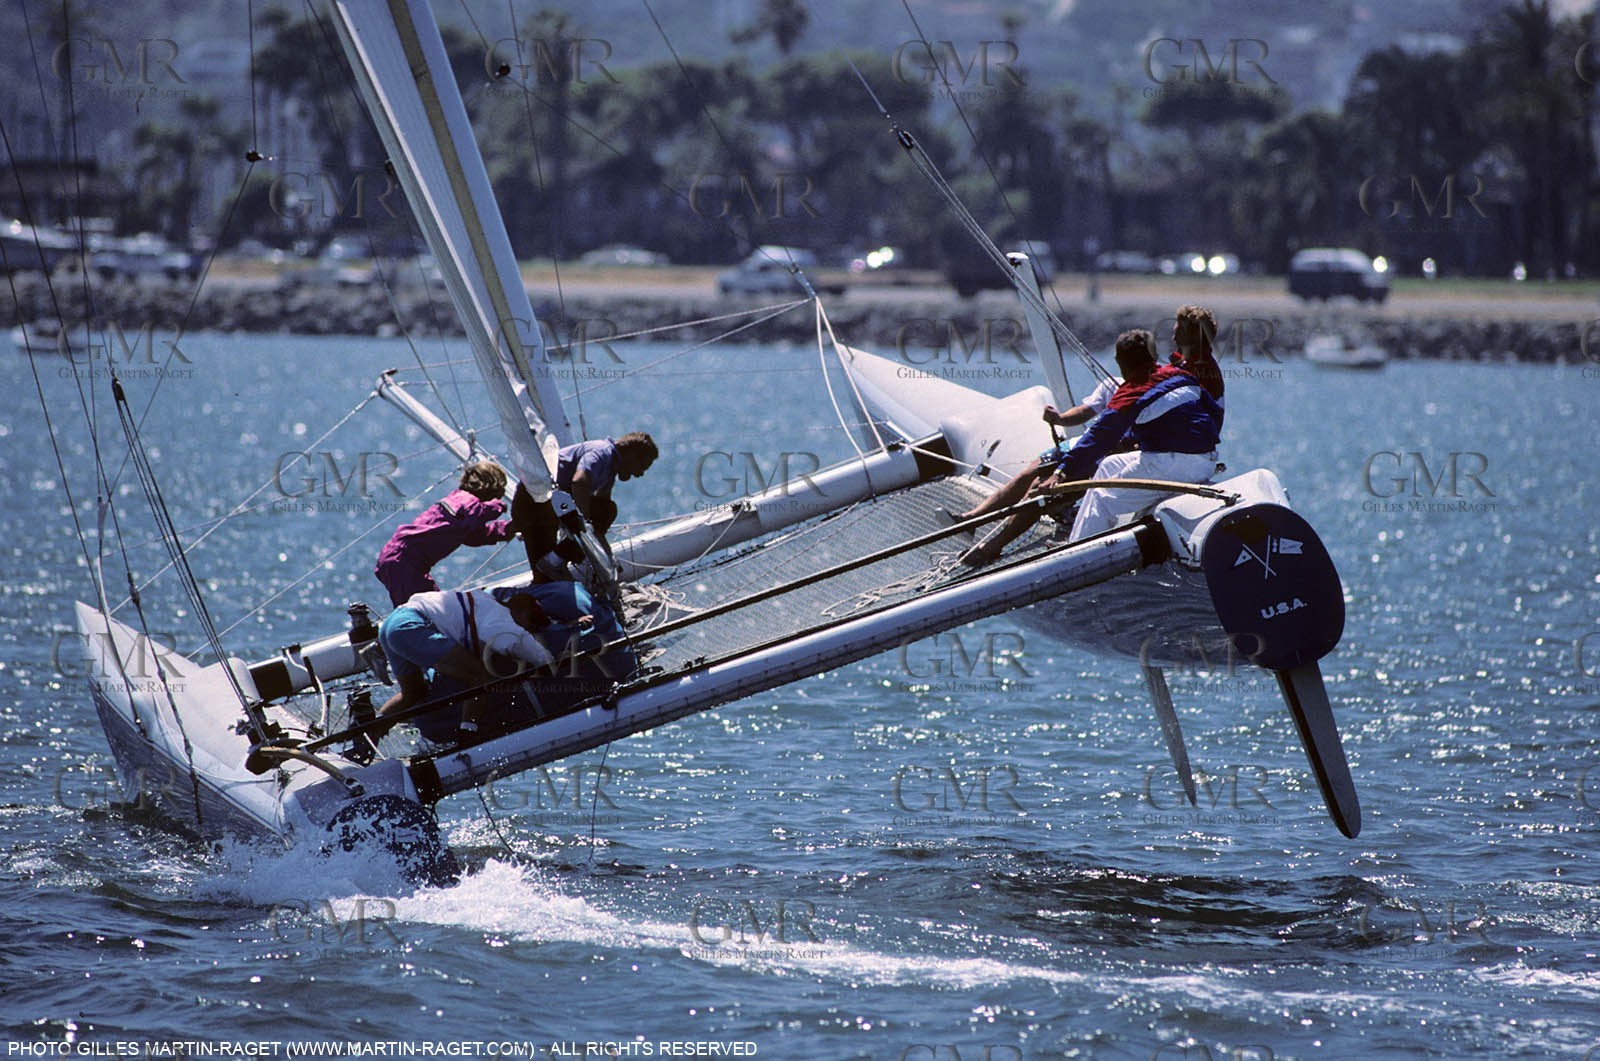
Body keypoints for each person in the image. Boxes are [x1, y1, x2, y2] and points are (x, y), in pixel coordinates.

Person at [960, 328, 1222, 564]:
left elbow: (1097, 437)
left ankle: (1077, 554)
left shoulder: (1131, 392)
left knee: (1101, 497)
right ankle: (1085, 533)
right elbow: (1212, 411)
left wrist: (1060, 473)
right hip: (1203, 457)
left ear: (1122, 363)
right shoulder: (1178, 375)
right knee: (1108, 466)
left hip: (1176, 464)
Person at [376, 588, 557, 737]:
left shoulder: (486, 597)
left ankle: (367, 728)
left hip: (392, 624)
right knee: (480, 676)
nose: (530, 629)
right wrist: (558, 657)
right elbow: (538, 655)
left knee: (413, 692)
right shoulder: (504, 625)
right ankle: (468, 733)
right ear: (523, 612)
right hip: (410, 626)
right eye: (533, 623)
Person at [512, 431, 658, 577]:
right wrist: (583, 523)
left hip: (548, 503)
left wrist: (609, 556)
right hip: (534, 502)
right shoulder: (602, 453)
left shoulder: (610, 471)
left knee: (605, 510)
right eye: (642, 466)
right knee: (544, 574)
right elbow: (579, 482)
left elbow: (599, 526)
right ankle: (554, 560)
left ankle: (557, 558)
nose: (640, 474)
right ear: (631, 455)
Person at [374, 462, 515, 607]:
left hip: (404, 560)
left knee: (434, 605)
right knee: (423, 609)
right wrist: (499, 506)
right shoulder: (464, 501)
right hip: (402, 560)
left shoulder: (460, 512)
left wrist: (510, 528)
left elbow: (475, 536)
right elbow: (475, 512)